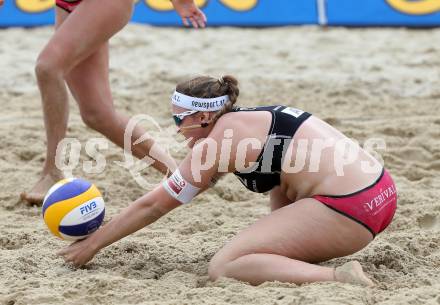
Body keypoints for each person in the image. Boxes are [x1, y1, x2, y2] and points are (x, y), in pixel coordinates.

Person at [58, 75, 397, 286]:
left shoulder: (223, 140)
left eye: (179, 118)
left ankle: (339, 277)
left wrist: (93, 244)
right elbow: (282, 185)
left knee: (225, 266)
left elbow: (154, 205)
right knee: (258, 250)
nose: (176, 126)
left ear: (204, 116)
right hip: (381, 194)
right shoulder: (253, 120)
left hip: (350, 210)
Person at [21, 0, 207, 205]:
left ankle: (52, 172)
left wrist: (182, 2)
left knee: (48, 67)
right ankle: (179, 177)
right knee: (98, 115)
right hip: (67, 3)